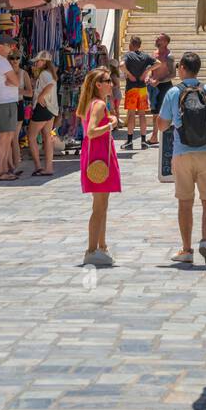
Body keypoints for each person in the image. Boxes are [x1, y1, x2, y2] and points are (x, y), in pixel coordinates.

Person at [157, 50, 206, 267]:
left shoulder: (173, 93)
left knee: (185, 202)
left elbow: (162, 124)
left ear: (183, 69)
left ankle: (186, 249)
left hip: (182, 153)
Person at [77, 69, 121, 267]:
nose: (112, 84)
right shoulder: (100, 104)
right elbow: (91, 131)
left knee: (102, 204)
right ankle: (92, 249)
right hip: (100, 155)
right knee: (99, 206)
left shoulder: (91, 103)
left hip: (96, 154)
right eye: (108, 81)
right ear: (98, 84)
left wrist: (110, 120)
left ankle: (101, 246)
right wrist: (111, 125)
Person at [0, 34, 20, 181]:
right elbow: (16, 81)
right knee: (4, 137)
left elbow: (13, 81)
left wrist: (12, 80)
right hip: (5, 102)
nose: (11, 48)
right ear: (0, 46)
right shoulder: (2, 62)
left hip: (5, 101)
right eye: (8, 45)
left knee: (7, 136)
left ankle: (3, 169)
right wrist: (12, 78)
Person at [29, 53, 59, 177]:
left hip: (43, 107)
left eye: (39, 61)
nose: (36, 63)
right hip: (51, 109)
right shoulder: (50, 73)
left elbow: (50, 85)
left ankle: (38, 166)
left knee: (31, 137)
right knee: (47, 137)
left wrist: (41, 96)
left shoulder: (44, 73)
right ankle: (48, 167)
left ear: (45, 62)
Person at [123, 35, 154, 150]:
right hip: (142, 88)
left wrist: (129, 74)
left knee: (131, 114)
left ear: (131, 44)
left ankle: (130, 141)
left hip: (131, 88)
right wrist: (146, 71)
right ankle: (143, 141)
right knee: (142, 114)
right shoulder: (145, 56)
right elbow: (158, 63)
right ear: (140, 45)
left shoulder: (128, 55)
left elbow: (121, 65)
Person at [147, 33, 175, 145]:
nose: (157, 39)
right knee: (154, 113)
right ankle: (154, 136)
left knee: (164, 113)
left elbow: (173, 74)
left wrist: (158, 80)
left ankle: (162, 136)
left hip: (165, 86)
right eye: (157, 38)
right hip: (154, 87)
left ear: (166, 42)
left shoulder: (169, 56)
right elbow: (151, 69)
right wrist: (149, 77)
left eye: (160, 39)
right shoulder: (154, 54)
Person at [9, 50, 32, 172]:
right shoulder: (6, 72)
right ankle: (11, 164)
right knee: (8, 137)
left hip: (18, 104)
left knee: (14, 137)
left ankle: (15, 164)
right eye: (12, 58)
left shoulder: (24, 74)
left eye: (17, 58)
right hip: (7, 104)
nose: (14, 60)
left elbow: (30, 92)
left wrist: (17, 91)